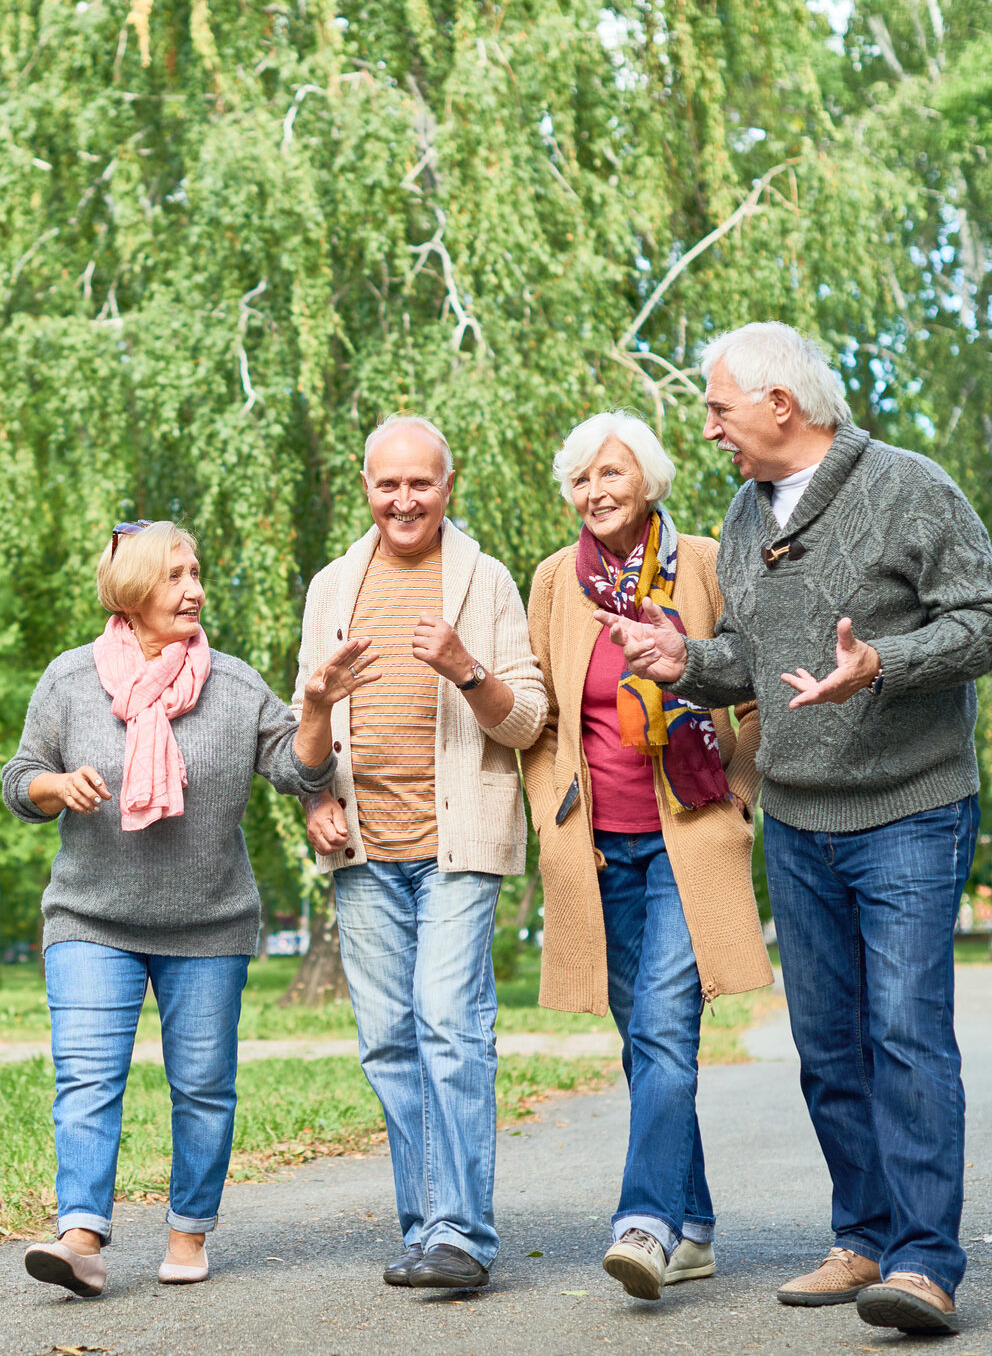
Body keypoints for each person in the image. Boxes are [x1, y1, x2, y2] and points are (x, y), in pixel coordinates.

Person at [598, 322, 992, 1336]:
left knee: (903, 1034)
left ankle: (921, 1264)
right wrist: (684, 659)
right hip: (798, 815)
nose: (707, 427)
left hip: (908, 806)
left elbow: (981, 619)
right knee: (824, 1044)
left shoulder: (908, 487)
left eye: (717, 407)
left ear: (780, 404)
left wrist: (882, 664)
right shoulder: (739, 512)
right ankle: (860, 1236)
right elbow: (750, 656)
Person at [2, 520, 375, 1298]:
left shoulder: (233, 685)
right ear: (133, 590)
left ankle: (188, 1229)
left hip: (207, 924)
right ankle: (81, 1239)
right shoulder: (71, 679)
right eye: (175, 575)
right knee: (87, 1078)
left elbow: (299, 772)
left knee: (202, 1084)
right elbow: (19, 778)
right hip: (90, 918)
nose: (195, 588)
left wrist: (312, 706)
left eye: (197, 572)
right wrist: (56, 785)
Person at [522, 411, 771, 1301]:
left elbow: (752, 684)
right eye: (581, 477)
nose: (595, 491)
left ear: (650, 479)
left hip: (686, 835)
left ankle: (646, 1223)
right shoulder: (556, 581)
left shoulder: (702, 562)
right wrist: (549, 813)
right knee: (643, 1044)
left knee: (666, 1029)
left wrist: (738, 791)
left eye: (612, 473)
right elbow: (545, 714)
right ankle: (695, 1219)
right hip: (596, 849)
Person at [295, 415, 546, 1291]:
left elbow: (528, 720)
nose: (404, 499)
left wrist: (466, 667)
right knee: (388, 1043)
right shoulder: (332, 585)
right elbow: (306, 737)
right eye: (387, 483)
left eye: (421, 483)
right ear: (367, 485)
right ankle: (425, 1226)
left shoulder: (484, 580)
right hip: (363, 846)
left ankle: (464, 1234)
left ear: (449, 484)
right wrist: (317, 791)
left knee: (448, 1021)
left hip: (457, 842)